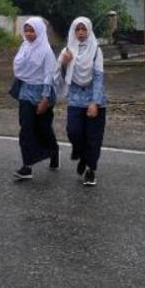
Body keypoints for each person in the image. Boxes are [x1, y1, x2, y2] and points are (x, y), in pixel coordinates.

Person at [55, 17, 106, 187]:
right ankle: (81, 154)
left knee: (93, 137)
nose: (81, 33)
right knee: (73, 131)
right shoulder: (68, 50)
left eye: (84, 29)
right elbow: (61, 76)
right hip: (75, 96)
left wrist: (95, 102)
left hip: (93, 97)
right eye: (78, 29)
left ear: (89, 30)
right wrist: (64, 63)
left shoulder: (96, 50)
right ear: (73, 31)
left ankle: (90, 170)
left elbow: (99, 77)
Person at [11, 17, 59, 180]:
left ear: (39, 31)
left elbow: (49, 76)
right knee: (26, 129)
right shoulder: (24, 47)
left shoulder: (46, 51)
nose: (29, 34)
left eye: (32, 30)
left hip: (42, 94)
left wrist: (45, 99)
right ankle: (27, 166)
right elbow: (18, 68)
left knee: (44, 128)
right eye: (26, 30)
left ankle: (53, 151)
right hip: (25, 92)